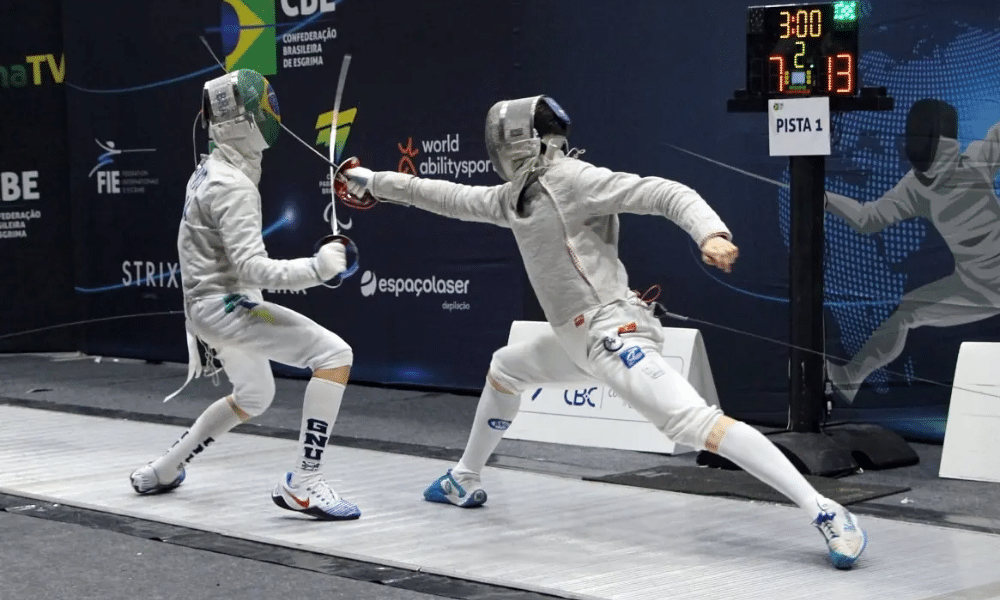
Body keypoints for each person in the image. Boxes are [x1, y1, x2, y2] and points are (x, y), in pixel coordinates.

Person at [340, 95, 867, 568]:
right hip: (578, 340)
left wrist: (710, 233)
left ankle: (825, 511)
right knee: (506, 367)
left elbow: (665, 191)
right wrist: (372, 183)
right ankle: (464, 478)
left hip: (614, 334)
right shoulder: (514, 198)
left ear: (520, 141)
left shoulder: (575, 180)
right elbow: (443, 194)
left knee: (693, 423)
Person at [129, 69, 360, 521]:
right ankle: (305, 484)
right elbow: (252, 268)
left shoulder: (211, 170)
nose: (273, 115)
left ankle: (164, 469)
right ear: (244, 123)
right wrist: (317, 268)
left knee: (254, 396)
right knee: (334, 355)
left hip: (206, 310)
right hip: (228, 308)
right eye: (264, 109)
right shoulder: (231, 186)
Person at [825, 99, 1000, 403]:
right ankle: (851, 378)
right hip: (976, 287)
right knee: (906, 313)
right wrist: (823, 198)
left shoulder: (977, 163)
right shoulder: (915, 187)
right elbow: (869, 219)